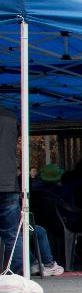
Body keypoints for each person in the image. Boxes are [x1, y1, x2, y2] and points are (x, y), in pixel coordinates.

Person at [0, 106, 19, 274]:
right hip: (8, 182)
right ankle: (17, 274)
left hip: (8, 181)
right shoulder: (11, 116)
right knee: (12, 234)